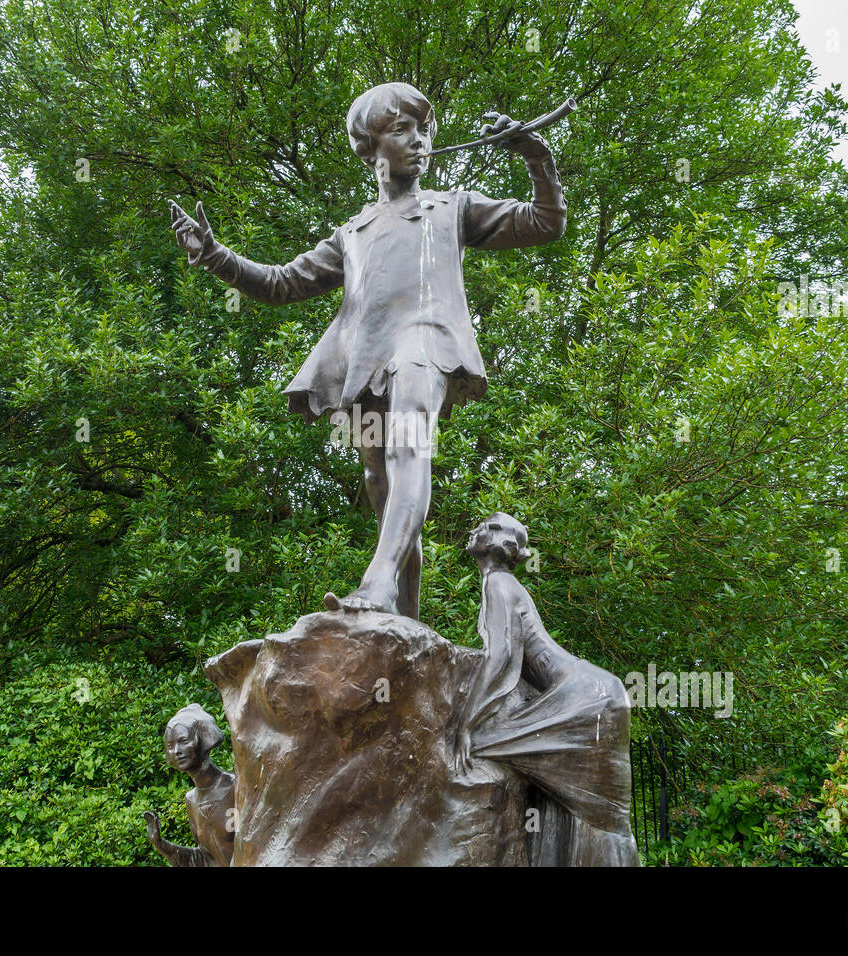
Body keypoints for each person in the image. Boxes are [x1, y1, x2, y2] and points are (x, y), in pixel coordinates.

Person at [168, 83, 566, 619]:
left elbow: (545, 223)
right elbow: (283, 283)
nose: (419, 140)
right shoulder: (352, 232)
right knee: (379, 483)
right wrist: (216, 257)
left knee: (409, 447)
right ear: (372, 146)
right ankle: (404, 622)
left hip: (426, 343)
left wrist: (536, 156)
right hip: (367, 361)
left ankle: (376, 585)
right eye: (403, 130)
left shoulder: (453, 209)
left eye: (424, 130)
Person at [459, 513, 640, 866]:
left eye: (484, 525)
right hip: (598, 693)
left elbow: (501, 658)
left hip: (587, 698)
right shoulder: (505, 583)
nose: (474, 529)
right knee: (588, 814)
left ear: (500, 543)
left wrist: (467, 723)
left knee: (481, 747)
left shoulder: (498, 583)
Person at [143, 703, 235, 867]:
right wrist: (160, 844)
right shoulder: (192, 800)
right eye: (171, 746)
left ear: (203, 740)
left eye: (183, 741)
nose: (176, 751)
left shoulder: (235, 788)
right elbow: (204, 859)